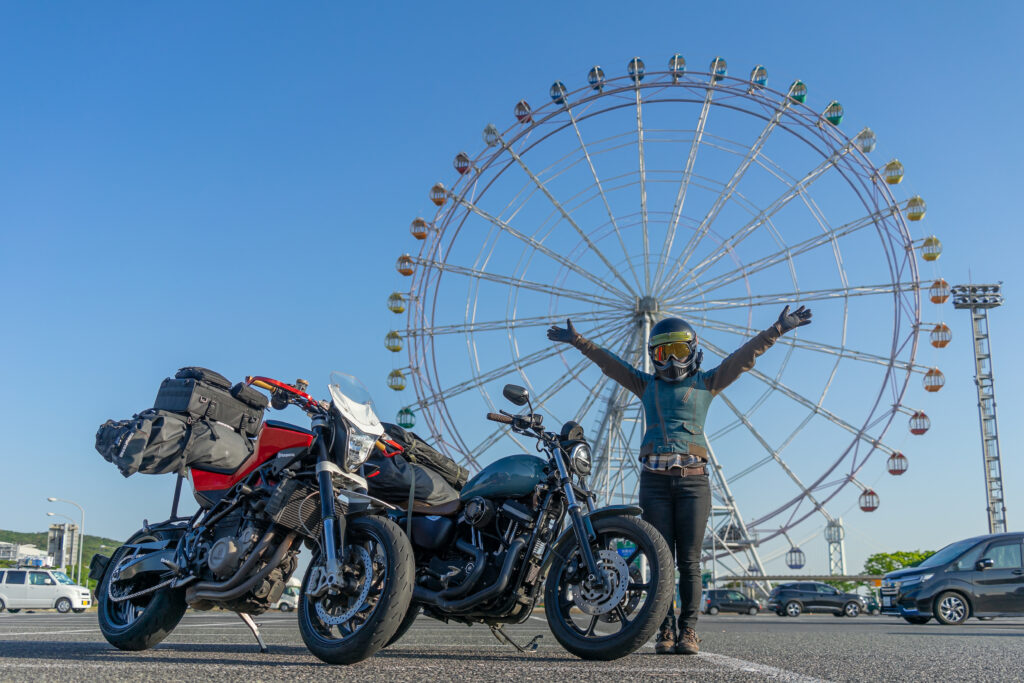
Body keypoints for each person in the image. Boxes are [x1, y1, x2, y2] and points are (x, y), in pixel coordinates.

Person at [547, 305, 812, 655]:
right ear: (653, 356)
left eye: (678, 350)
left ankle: (688, 630)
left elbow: (742, 358)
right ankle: (665, 630)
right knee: (660, 561)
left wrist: (776, 329)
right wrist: (579, 341)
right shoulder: (645, 385)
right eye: (662, 352)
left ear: (693, 351)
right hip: (654, 482)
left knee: (688, 561)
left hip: (693, 482)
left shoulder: (707, 383)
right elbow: (610, 364)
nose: (671, 359)